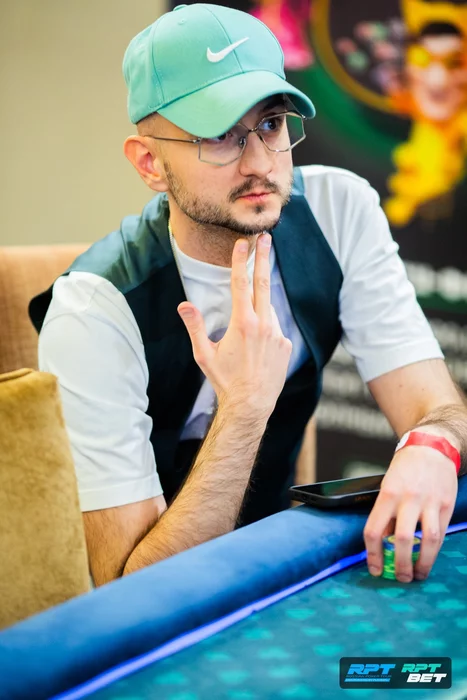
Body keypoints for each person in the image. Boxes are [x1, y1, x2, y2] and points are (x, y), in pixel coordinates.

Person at [30, 3, 467, 588]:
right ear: (150, 163)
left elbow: (437, 409)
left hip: (285, 570)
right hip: (174, 613)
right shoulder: (92, 312)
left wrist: (432, 445)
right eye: (219, 135)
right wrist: (242, 407)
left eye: (272, 123)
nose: (261, 163)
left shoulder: (339, 211)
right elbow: (129, 587)